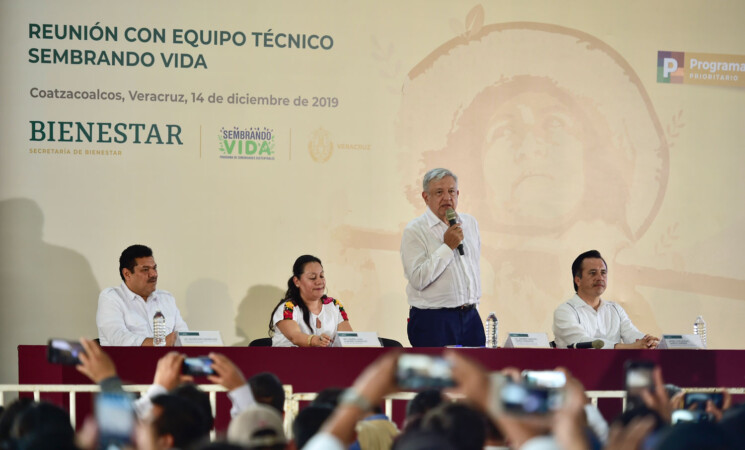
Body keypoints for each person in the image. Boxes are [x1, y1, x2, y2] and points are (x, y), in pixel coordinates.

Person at [400, 168, 485, 347]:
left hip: (471, 318)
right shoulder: (415, 230)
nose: (447, 198)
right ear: (425, 197)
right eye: (439, 192)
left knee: (475, 373)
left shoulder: (470, 224)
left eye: (451, 191)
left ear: (458, 193)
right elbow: (418, 279)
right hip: (433, 321)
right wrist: (447, 247)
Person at [553, 250, 659, 349]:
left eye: (603, 272)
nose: (600, 277)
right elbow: (582, 342)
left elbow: (631, 333)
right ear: (578, 280)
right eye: (593, 273)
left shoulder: (615, 309)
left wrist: (646, 341)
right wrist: (622, 347)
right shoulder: (565, 311)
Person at [96, 244, 188, 346]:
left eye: (154, 268)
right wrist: (160, 343)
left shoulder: (167, 298)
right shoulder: (111, 297)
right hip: (127, 361)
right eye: (145, 269)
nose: (154, 274)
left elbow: (185, 337)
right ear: (127, 274)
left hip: (164, 360)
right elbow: (118, 338)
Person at [268, 255, 352, 347]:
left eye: (321, 276)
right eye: (312, 277)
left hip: (326, 360)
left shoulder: (335, 305)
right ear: (297, 281)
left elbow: (348, 339)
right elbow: (295, 337)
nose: (319, 281)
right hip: (289, 360)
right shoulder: (288, 308)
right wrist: (315, 340)